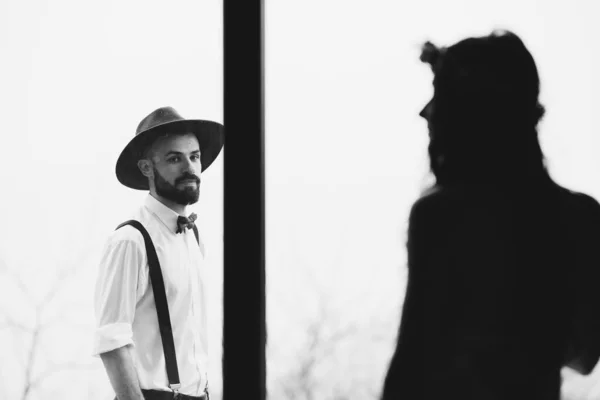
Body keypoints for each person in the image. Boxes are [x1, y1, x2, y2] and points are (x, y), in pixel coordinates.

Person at [381, 30, 600, 400]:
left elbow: (410, 370)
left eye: (441, 95)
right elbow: (583, 354)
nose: (426, 111)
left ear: (468, 112)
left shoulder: (441, 217)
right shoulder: (580, 216)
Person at [93, 106, 224, 400]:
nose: (189, 168)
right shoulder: (131, 240)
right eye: (174, 158)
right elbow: (111, 341)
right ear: (147, 168)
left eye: (194, 156)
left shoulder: (194, 237)